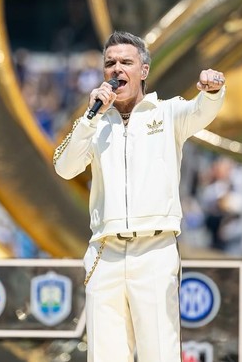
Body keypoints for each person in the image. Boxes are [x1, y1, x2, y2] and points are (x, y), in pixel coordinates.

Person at [53, 30, 226, 361]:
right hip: (106, 250)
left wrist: (214, 90)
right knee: (105, 355)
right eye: (110, 63)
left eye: (126, 62)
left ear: (143, 70)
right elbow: (65, 167)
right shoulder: (94, 122)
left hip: (154, 249)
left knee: (159, 353)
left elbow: (201, 111)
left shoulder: (166, 112)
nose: (117, 69)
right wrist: (90, 117)